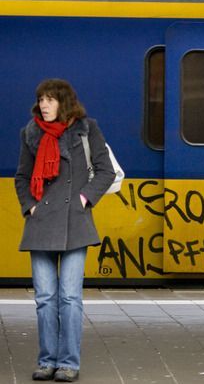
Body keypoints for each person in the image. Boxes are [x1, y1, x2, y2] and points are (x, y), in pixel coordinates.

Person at [14, 79, 116, 382]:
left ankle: (69, 362)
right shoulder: (30, 133)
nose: (43, 105)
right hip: (42, 222)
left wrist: (84, 199)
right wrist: (31, 206)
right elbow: (22, 176)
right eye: (40, 99)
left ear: (64, 102)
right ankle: (47, 360)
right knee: (45, 297)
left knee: (70, 297)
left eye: (50, 99)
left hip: (75, 222)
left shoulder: (87, 128)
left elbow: (106, 170)